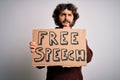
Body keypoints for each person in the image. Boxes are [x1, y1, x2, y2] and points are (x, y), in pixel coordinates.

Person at [30, 3, 93, 80]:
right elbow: (40, 66)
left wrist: (81, 41)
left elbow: (88, 59)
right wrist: (36, 51)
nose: (66, 18)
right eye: (63, 14)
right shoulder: (47, 38)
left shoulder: (79, 37)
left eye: (69, 15)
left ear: (73, 18)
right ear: (57, 17)